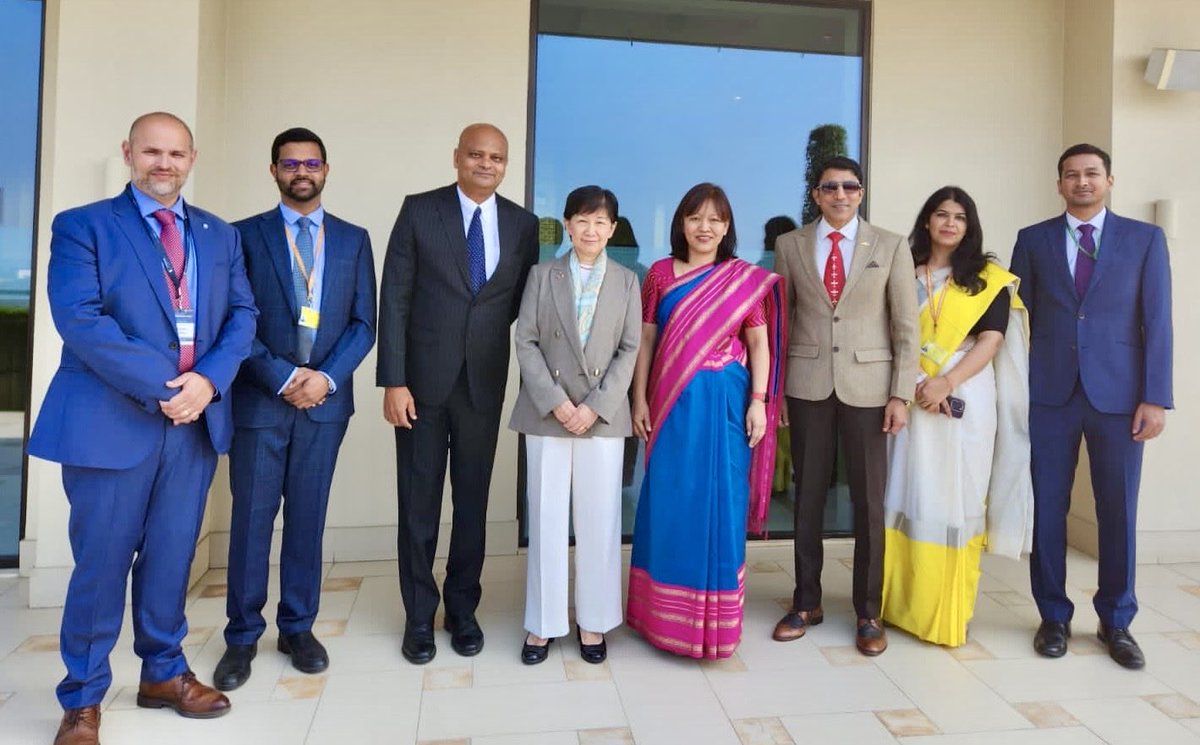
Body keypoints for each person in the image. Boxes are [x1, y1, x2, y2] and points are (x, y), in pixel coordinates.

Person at [27, 112, 257, 745]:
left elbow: (243, 315)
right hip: (112, 423)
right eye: (152, 151)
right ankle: (82, 698)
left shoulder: (218, 234)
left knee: (170, 557)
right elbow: (81, 320)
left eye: (176, 153)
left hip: (194, 424)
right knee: (101, 564)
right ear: (128, 152)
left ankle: (163, 673)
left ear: (192, 157)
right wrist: (169, 391)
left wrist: (206, 383)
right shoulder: (83, 227)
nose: (165, 163)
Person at [213, 128, 377, 690]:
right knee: (252, 522)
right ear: (274, 170)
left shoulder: (355, 240)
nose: (300, 172)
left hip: (325, 406)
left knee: (308, 521)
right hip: (261, 401)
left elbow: (363, 324)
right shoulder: (242, 237)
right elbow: (234, 319)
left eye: (311, 163)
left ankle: (297, 627)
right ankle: (240, 636)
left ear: (326, 170)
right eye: (290, 163)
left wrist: (324, 379)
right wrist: (283, 376)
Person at [377, 123, 539, 665]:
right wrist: (393, 380)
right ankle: (419, 618)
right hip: (420, 387)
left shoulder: (522, 224)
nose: (486, 164)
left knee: (472, 505)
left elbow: (516, 301)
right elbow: (394, 297)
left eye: (496, 157)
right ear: (456, 158)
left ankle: (463, 612)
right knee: (418, 505)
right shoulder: (420, 210)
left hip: (482, 385)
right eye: (476, 154)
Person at [1011, 144, 1173, 670]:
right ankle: (1053, 615)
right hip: (1049, 395)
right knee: (1048, 508)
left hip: (1121, 398)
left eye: (1091, 174)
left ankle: (1116, 620)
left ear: (1109, 180)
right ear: (1058, 184)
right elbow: (1014, 323)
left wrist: (1155, 397)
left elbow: (1158, 320)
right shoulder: (1031, 240)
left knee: (1117, 509)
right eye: (1071, 175)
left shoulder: (1144, 239)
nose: (1082, 182)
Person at [627, 183, 785, 659]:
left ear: (727, 227)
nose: (705, 227)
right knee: (672, 498)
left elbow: (759, 343)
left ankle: (716, 621)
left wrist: (758, 401)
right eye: (696, 217)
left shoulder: (742, 279)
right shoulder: (658, 274)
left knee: (722, 500)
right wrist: (639, 398)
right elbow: (646, 340)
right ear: (681, 223)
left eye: (716, 219)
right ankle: (661, 616)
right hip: (672, 403)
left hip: (727, 404)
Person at [772, 156, 919, 656]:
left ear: (861, 192)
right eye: (829, 186)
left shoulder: (891, 245)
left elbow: (906, 326)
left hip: (871, 388)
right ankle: (806, 600)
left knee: (868, 503)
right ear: (815, 193)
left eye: (849, 186)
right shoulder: (790, 245)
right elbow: (781, 320)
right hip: (807, 381)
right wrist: (776, 392)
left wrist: (900, 393)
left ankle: (868, 611)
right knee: (806, 497)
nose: (840, 194)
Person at [880, 186, 1033, 647]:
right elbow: (883, 333)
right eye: (941, 214)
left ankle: (947, 611)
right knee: (906, 489)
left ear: (970, 226)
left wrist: (945, 382)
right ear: (926, 221)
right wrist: (912, 385)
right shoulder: (902, 269)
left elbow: (992, 339)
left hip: (965, 397)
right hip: (907, 394)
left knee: (956, 496)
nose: (949, 223)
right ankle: (898, 605)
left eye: (959, 217)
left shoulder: (988, 278)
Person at [509, 186, 641, 665]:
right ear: (567, 224)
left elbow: (630, 349)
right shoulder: (543, 275)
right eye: (582, 221)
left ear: (612, 229)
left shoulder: (628, 281)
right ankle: (542, 625)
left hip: (601, 418)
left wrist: (595, 406)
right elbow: (525, 340)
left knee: (599, 519)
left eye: (601, 222)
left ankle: (594, 621)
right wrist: (558, 401)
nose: (591, 230)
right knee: (545, 518)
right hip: (548, 414)